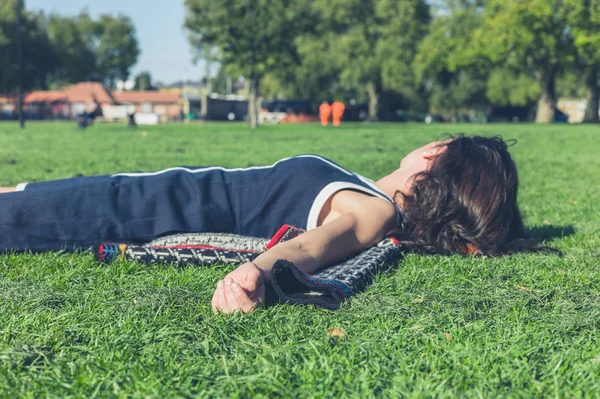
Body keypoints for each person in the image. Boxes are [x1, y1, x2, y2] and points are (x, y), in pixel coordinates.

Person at [0, 135, 551, 313]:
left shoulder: (376, 212)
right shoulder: (367, 193)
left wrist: (258, 272)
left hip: (137, 209)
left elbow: (320, 244)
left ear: (435, 156)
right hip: (139, 193)